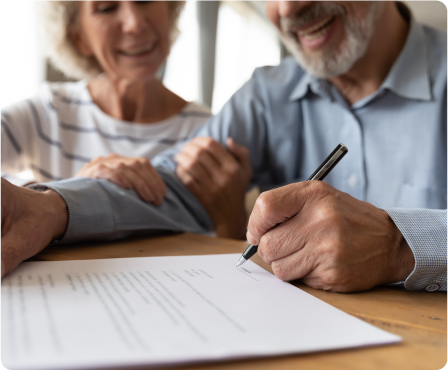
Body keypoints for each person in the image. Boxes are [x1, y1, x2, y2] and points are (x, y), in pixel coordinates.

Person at [1, 0, 447, 293]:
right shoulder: (266, 94)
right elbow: (175, 185)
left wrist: (398, 244)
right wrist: (51, 208)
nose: (288, 7)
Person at [0, 0, 211, 205]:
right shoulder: (48, 112)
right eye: (106, 8)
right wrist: (52, 198)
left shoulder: (210, 133)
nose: (134, 23)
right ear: (79, 38)